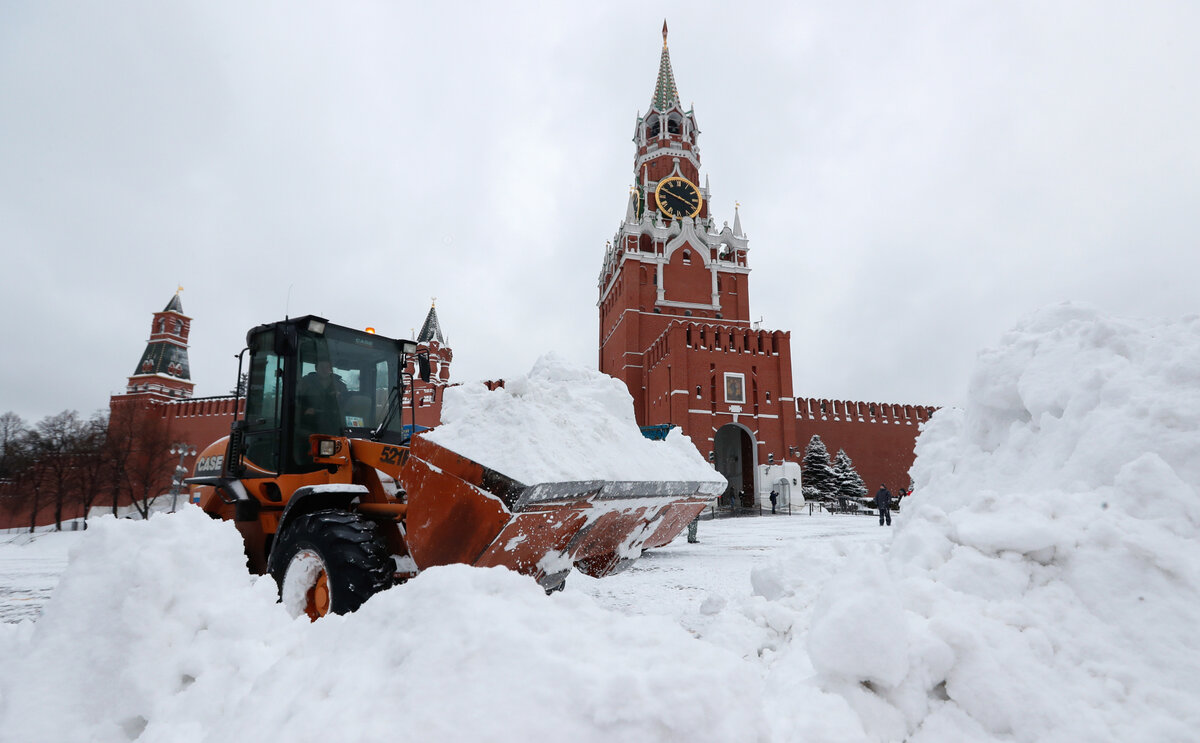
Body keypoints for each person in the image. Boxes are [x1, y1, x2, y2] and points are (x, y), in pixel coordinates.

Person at [298, 360, 348, 434]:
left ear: (331, 369)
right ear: (316, 368)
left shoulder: (340, 385)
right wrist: (305, 409)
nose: (324, 370)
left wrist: (339, 398)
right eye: (321, 367)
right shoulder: (305, 382)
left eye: (327, 367)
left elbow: (347, 404)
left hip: (334, 424)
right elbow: (296, 399)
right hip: (309, 424)